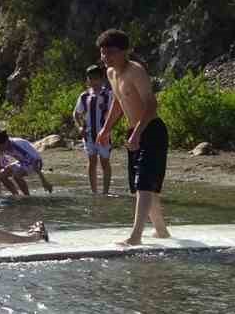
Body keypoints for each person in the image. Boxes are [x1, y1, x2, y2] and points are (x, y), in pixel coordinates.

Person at [95, 28, 171, 246]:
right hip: (134, 132)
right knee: (143, 184)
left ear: (125, 51)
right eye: (102, 52)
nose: (105, 57)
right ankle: (161, 231)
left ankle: (136, 236)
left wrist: (138, 132)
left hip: (152, 130)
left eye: (110, 52)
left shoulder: (135, 71)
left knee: (144, 184)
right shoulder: (111, 73)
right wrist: (106, 129)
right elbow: (119, 102)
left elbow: (151, 104)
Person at [72, 67, 114, 195]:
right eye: (91, 78)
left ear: (102, 79)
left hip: (104, 134)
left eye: (96, 78)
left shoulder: (108, 95)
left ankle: (105, 192)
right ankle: (94, 192)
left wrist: (108, 129)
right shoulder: (84, 96)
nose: (93, 81)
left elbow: (114, 113)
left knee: (104, 162)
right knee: (92, 161)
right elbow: (76, 114)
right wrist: (80, 127)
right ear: (87, 80)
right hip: (89, 135)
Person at [0, 129, 53, 196]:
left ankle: (27, 197)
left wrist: (44, 181)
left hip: (36, 162)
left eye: (0, 146)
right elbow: (0, 167)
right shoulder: (0, 148)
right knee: (1, 174)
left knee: (16, 175)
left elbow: (33, 161)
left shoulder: (16, 145)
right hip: (23, 162)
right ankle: (15, 195)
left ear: (6, 141)